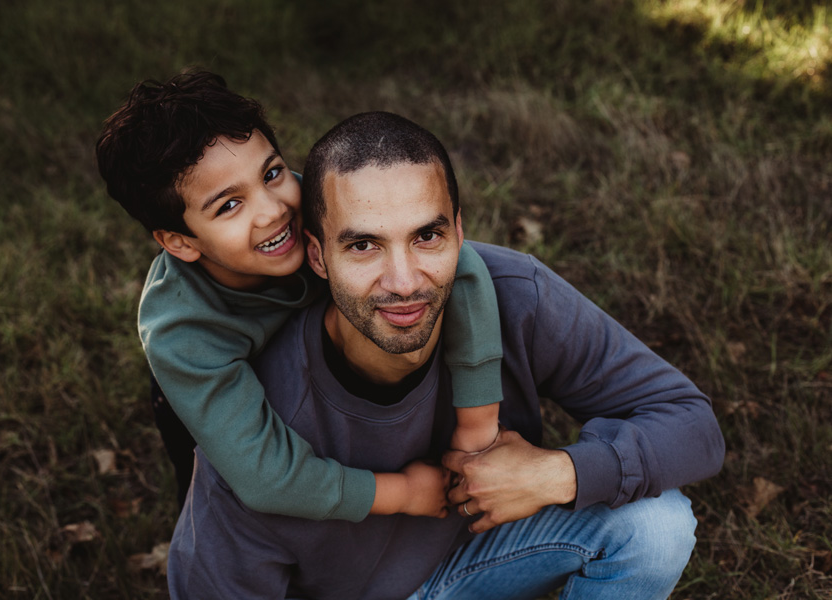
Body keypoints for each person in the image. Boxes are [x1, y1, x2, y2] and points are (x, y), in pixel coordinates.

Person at [167, 111, 726, 599]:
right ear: (316, 255)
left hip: (480, 562)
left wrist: (556, 474)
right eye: (363, 245)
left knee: (657, 527)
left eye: (427, 237)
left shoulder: (515, 295)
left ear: (460, 234)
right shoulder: (251, 424)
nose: (404, 281)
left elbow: (695, 428)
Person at [95, 70, 503, 521]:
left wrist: (476, 423)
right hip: (207, 382)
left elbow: (460, 266)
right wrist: (401, 492)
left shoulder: (320, 207)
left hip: (315, 362)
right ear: (180, 242)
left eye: (271, 173)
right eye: (229, 205)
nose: (273, 211)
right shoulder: (184, 334)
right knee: (207, 485)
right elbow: (267, 478)